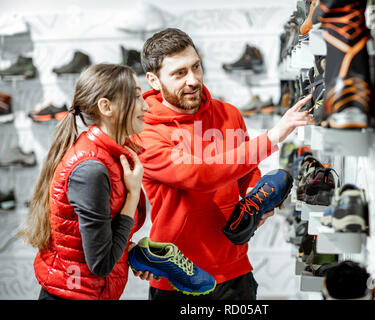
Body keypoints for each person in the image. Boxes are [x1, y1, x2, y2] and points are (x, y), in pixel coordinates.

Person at [134, 28, 314, 300]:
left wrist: (259, 200)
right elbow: (198, 175)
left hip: (234, 271)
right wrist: (272, 137)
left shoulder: (228, 114)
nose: (193, 79)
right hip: (176, 277)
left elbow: (245, 173)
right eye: (179, 73)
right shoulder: (146, 131)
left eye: (196, 67)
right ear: (154, 80)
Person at [16, 64, 153, 300]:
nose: (146, 105)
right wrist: (132, 195)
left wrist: (129, 252)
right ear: (106, 106)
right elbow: (100, 264)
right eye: (136, 96)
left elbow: (96, 241)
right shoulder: (92, 169)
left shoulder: (109, 157)